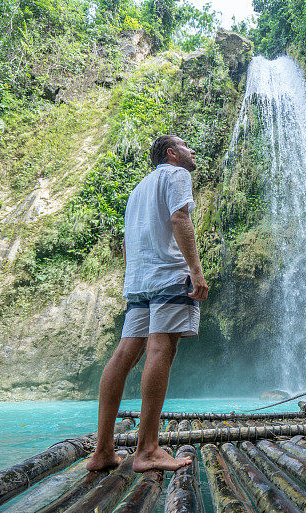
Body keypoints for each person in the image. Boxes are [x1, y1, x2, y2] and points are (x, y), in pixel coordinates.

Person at [86, 135, 209, 472]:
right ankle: (148, 450)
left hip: (139, 281)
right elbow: (180, 219)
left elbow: (127, 241)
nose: (192, 151)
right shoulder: (177, 175)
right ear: (172, 154)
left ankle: (103, 451)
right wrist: (196, 272)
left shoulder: (138, 189)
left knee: (124, 356)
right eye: (187, 146)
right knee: (161, 350)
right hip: (168, 276)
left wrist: (135, 277)